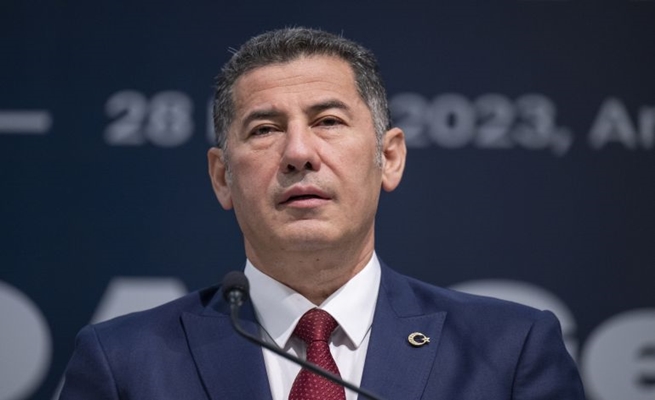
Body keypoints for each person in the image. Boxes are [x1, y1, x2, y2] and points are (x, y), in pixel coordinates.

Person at [60, 27, 586, 400]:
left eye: (328, 121)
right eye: (265, 129)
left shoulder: (508, 350)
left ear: (389, 157)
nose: (298, 153)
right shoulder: (125, 363)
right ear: (222, 177)